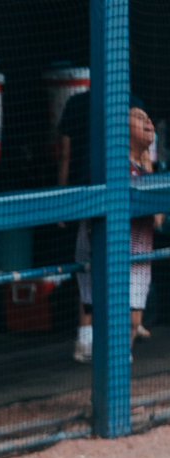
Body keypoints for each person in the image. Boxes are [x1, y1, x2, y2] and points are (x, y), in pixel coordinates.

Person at [73, 105, 160, 362]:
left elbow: (157, 219)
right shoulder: (111, 163)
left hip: (139, 249)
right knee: (98, 300)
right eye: (140, 118)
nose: (148, 122)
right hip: (107, 245)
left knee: (133, 316)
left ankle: (118, 356)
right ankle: (91, 345)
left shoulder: (147, 170)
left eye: (149, 118)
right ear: (123, 129)